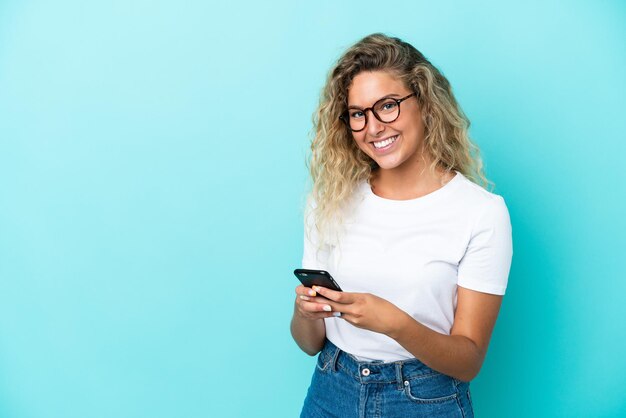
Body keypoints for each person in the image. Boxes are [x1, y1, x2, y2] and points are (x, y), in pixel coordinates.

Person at [290, 33, 513, 418]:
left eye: (388, 106)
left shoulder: (481, 213)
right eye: (358, 113)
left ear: (425, 103)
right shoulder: (328, 202)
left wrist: (395, 323)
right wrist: (305, 314)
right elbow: (309, 343)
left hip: (425, 400)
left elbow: (469, 360)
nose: (373, 127)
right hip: (332, 388)